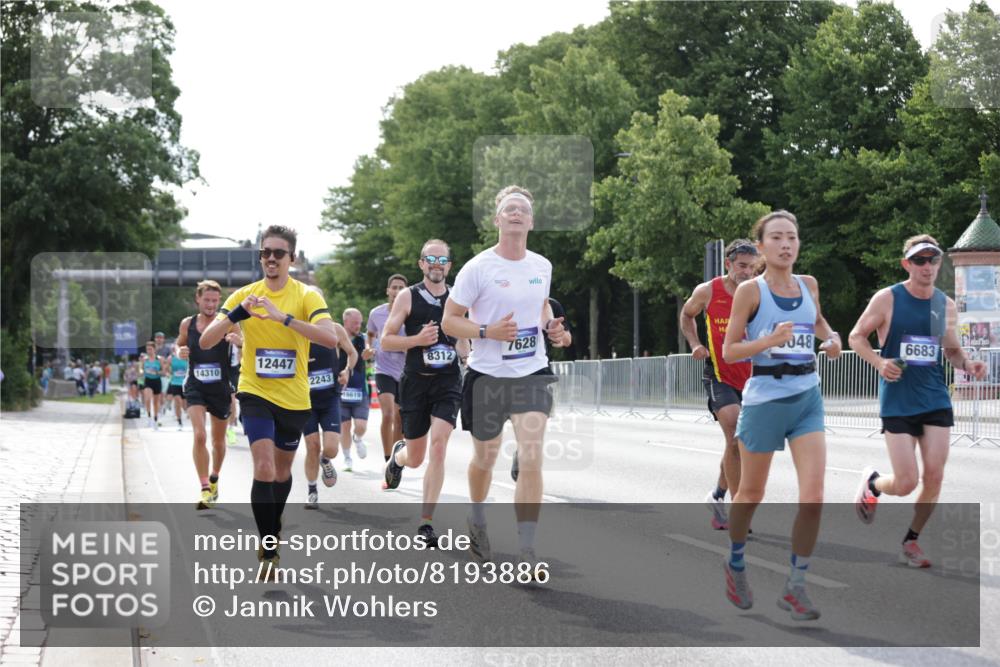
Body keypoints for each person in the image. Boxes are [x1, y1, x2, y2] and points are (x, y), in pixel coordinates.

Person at [720, 210, 841, 621]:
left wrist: (833, 339)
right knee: (751, 494)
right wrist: (768, 340)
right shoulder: (750, 292)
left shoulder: (809, 284)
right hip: (765, 401)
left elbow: (818, 321)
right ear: (762, 246)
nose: (786, 244)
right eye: (776, 237)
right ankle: (736, 562)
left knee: (814, 497)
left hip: (807, 397)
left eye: (792, 236)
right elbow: (730, 351)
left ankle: (796, 585)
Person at [442, 185, 567, 572]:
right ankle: (477, 519)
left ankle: (527, 549)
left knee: (531, 456)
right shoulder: (478, 268)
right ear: (497, 219)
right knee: (485, 458)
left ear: (531, 222)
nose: (516, 213)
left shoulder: (542, 266)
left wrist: (552, 327)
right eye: (509, 209)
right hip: (487, 375)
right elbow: (449, 321)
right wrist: (486, 332)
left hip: (532, 371)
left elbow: (541, 307)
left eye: (522, 210)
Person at [199, 225, 337, 576]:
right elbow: (206, 341)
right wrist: (236, 315)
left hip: (294, 399)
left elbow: (329, 339)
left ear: (292, 258)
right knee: (263, 467)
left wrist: (283, 318)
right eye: (265, 253)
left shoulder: (306, 296)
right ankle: (270, 547)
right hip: (255, 392)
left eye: (278, 253)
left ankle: (272, 525)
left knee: (281, 473)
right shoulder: (245, 295)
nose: (271, 259)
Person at [849, 235, 988, 567]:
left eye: (933, 260)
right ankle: (874, 483)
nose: (927, 266)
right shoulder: (888, 299)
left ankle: (911, 541)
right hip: (898, 399)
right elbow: (856, 337)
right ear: (906, 264)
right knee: (906, 482)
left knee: (935, 476)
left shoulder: (943, 304)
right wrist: (879, 362)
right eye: (920, 260)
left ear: (939, 264)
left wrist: (968, 364)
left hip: (935, 397)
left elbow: (950, 349)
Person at [382, 240, 469, 546]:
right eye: (430, 259)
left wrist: (466, 354)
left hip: (447, 383)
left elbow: (463, 339)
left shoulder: (458, 298)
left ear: (449, 266)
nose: (436, 264)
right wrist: (416, 340)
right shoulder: (408, 296)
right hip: (416, 383)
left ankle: (426, 523)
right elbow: (386, 340)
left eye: (442, 260)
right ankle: (399, 457)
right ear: (421, 264)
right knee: (416, 458)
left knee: (440, 446)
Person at [680, 239, 757, 530]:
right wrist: (695, 343)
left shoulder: (760, 292)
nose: (747, 272)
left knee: (741, 443)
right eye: (742, 266)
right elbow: (687, 314)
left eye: (752, 268)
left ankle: (717, 495)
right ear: (728, 264)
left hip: (754, 379)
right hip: (719, 375)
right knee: (736, 435)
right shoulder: (708, 291)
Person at [175, 280, 239, 510]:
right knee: (200, 435)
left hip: (221, 388)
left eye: (215, 300)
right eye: (207, 300)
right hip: (196, 385)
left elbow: (245, 346)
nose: (211, 304)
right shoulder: (188, 324)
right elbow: (179, 344)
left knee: (218, 442)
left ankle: (214, 478)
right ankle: (204, 488)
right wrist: (180, 351)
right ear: (198, 299)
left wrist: (238, 342)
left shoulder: (228, 323)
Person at [302, 286, 357, 509]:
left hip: (330, 398)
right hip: (304, 401)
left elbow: (352, 353)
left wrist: (347, 370)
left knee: (331, 448)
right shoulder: (297, 330)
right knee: (312, 445)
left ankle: (325, 460)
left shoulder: (334, 329)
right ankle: (312, 490)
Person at [510, 296, 572, 482]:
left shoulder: (551, 304)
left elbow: (567, 339)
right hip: (501, 376)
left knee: (533, 430)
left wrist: (559, 335)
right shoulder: (503, 299)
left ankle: (523, 452)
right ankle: (522, 449)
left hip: (537, 376)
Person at [367, 274, 408, 462]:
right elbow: (370, 334)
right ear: (388, 291)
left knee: (400, 418)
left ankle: (394, 461)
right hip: (384, 369)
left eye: (401, 288)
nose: (397, 291)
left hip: (405, 371)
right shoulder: (376, 313)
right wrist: (369, 348)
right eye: (394, 287)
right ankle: (386, 458)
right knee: (388, 414)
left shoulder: (411, 314)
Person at [338, 308, 371, 471]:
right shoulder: (336, 337)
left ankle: (357, 439)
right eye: (355, 323)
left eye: (360, 323)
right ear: (345, 322)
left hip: (359, 389)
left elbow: (370, 351)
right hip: (341, 389)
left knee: (361, 426)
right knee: (344, 427)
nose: (358, 326)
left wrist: (369, 354)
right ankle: (347, 458)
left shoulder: (362, 339)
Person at [140, 342, 165, 427]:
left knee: (155, 402)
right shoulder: (144, 359)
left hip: (157, 381)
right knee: (147, 398)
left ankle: (155, 418)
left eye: (150, 349)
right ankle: (149, 416)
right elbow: (141, 369)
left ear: (154, 349)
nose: (149, 351)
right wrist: (142, 371)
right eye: (147, 349)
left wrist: (156, 372)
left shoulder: (159, 359)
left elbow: (163, 371)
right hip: (148, 380)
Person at [166, 352, 188, 429]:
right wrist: (168, 371)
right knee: (178, 401)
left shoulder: (187, 357)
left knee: (185, 406)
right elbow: (166, 369)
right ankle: (179, 421)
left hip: (185, 384)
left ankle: (185, 412)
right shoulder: (171, 358)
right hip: (175, 383)